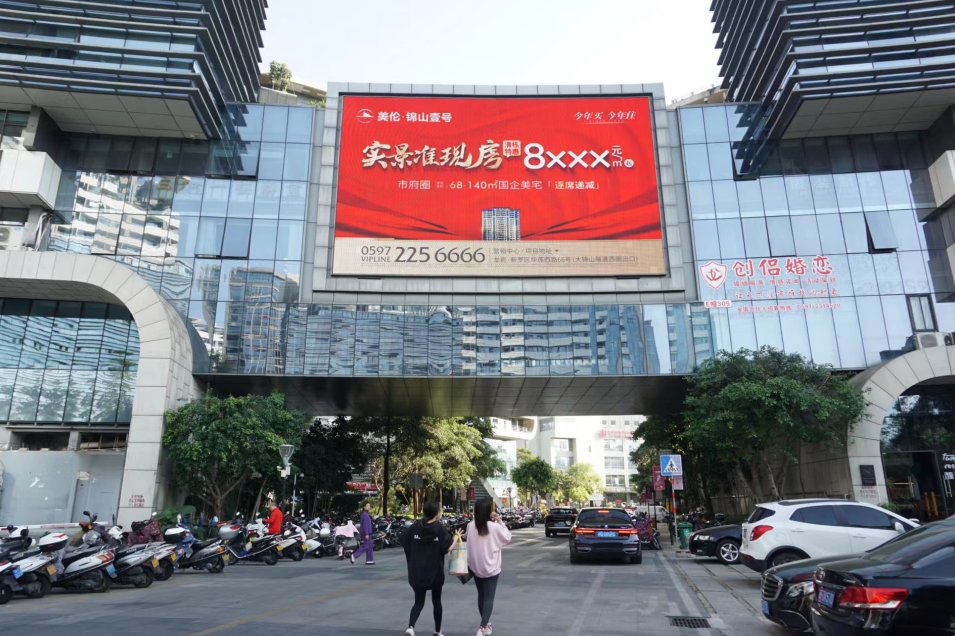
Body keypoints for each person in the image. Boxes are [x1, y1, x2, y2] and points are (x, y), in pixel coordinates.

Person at [401, 500, 460, 636]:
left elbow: (404, 539)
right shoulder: (440, 529)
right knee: (436, 601)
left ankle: (410, 628)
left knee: (418, 602)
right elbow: (448, 548)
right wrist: (456, 537)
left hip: (417, 572)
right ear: (437, 513)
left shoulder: (415, 527)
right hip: (435, 572)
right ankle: (437, 631)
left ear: (424, 511)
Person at [467, 500, 512, 636]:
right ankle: (482, 627)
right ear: (488, 511)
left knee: (481, 596)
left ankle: (485, 625)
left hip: (476, 566)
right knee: (489, 597)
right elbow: (507, 537)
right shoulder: (494, 527)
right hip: (492, 567)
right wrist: (500, 521)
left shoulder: (470, 526)